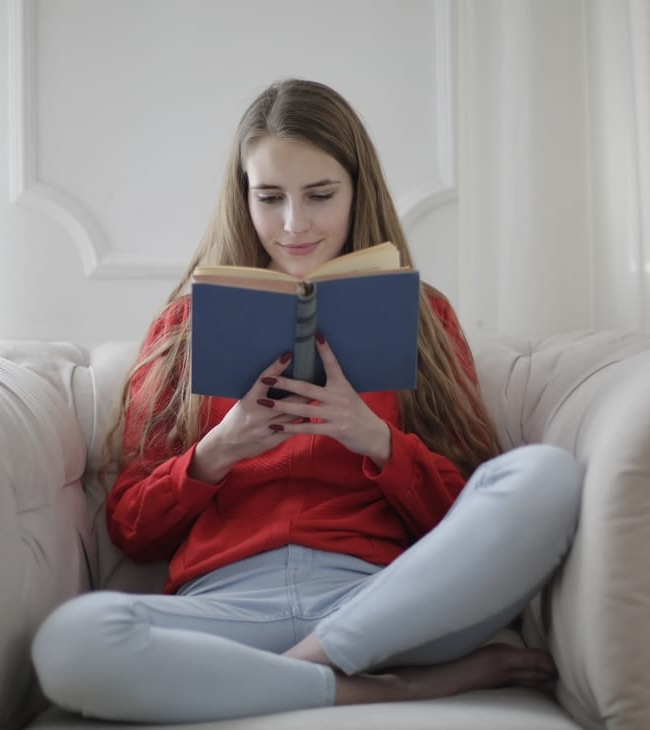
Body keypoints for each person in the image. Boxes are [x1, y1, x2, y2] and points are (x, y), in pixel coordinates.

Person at [31, 78, 584, 724]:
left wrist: (375, 440)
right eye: (270, 198)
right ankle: (383, 687)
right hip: (228, 608)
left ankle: (295, 670)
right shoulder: (183, 328)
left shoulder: (423, 317)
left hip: (387, 605)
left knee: (548, 477)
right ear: (244, 198)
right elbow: (131, 527)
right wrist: (216, 452)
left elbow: (464, 513)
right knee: (68, 641)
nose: (294, 225)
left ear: (358, 190)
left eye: (320, 196)